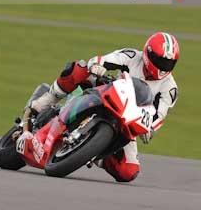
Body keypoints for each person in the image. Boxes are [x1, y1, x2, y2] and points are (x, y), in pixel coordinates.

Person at [31, 31, 179, 183]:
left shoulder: (169, 88)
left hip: (129, 119)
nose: (163, 67)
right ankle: (48, 99)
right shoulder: (132, 56)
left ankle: (92, 153)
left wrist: (150, 128)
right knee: (79, 68)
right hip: (108, 91)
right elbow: (104, 59)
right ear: (148, 54)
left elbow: (158, 115)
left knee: (129, 171)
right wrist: (97, 66)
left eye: (168, 63)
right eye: (160, 60)